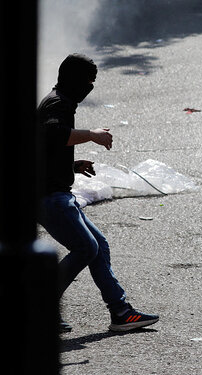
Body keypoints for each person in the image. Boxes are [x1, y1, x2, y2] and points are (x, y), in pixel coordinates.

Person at [37, 53, 159, 333]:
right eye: (88, 81)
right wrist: (92, 134)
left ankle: (121, 312)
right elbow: (53, 133)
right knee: (86, 247)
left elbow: (44, 147)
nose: (90, 86)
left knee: (98, 246)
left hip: (56, 193)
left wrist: (72, 164)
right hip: (50, 197)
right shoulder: (58, 103)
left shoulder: (58, 100)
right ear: (75, 80)